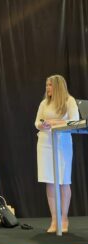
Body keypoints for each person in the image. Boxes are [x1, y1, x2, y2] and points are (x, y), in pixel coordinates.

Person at [35, 74, 79, 233]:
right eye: (47, 85)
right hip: (45, 142)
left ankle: (64, 218)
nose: (47, 88)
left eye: (50, 85)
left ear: (58, 86)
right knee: (50, 181)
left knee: (63, 180)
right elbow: (37, 122)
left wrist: (54, 122)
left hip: (62, 143)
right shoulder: (44, 103)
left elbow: (74, 120)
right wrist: (43, 125)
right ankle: (54, 219)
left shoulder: (69, 101)